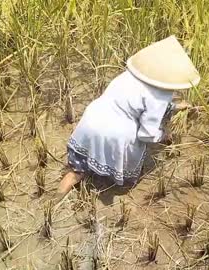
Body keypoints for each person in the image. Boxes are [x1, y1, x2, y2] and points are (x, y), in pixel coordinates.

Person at [56, 35, 201, 200]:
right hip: (114, 133)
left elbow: (135, 101)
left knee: (75, 173)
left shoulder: (129, 75)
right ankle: (113, 189)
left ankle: (52, 203)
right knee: (127, 183)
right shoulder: (161, 95)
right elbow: (147, 134)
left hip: (91, 121)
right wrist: (164, 134)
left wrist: (175, 107)